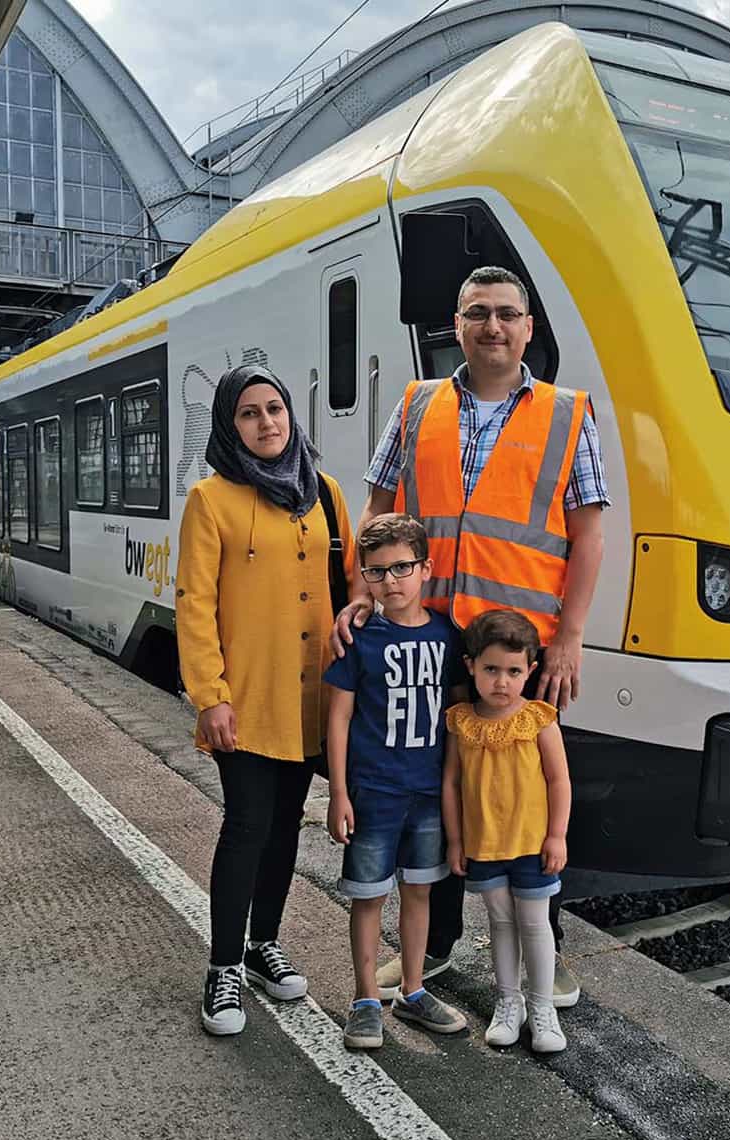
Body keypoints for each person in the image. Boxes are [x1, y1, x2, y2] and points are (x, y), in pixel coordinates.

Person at [331, 264, 609, 1006]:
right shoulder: (418, 405)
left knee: (530, 792)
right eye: (478, 312)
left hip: (521, 654)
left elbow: (589, 537)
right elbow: (379, 505)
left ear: (528, 329)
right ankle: (442, 948)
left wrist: (572, 636)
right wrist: (364, 591)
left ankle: (548, 947)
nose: (493, 325)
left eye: (508, 314)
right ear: (457, 326)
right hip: (427, 640)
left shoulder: (566, 412)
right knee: (439, 790)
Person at [176, 364, 354, 1036]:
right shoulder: (211, 500)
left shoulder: (326, 494)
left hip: (310, 698)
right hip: (246, 701)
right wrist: (210, 696)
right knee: (247, 826)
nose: (267, 422)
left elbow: (355, 584)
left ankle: (261, 945)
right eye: (249, 413)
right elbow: (194, 605)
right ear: (230, 425)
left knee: (285, 827)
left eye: (275, 408)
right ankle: (221, 967)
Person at [324, 513, 467, 1050]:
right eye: (377, 572)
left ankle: (411, 989)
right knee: (367, 896)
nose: (391, 581)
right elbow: (337, 717)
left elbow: (456, 720)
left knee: (420, 891)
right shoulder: (359, 638)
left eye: (402, 567)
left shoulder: (446, 634)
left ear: (426, 568)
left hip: (428, 793)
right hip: (374, 792)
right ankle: (365, 998)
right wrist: (338, 792)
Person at [444, 610, 571, 1052]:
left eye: (514, 671)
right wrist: (456, 840)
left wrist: (557, 835)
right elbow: (452, 784)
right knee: (500, 921)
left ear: (530, 671)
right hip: (484, 843)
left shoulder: (538, 719)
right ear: (471, 667)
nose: (502, 681)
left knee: (535, 924)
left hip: (532, 844)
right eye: (491, 669)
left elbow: (559, 780)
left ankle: (542, 1007)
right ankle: (508, 1002)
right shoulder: (461, 722)